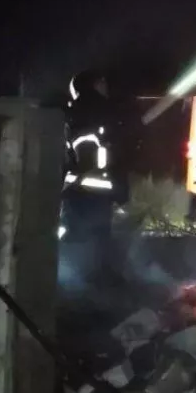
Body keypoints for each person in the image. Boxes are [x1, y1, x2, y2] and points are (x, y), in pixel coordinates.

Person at [59, 70, 127, 285]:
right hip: (99, 187)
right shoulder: (106, 111)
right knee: (99, 234)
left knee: (74, 231)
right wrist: (121, 191)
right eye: (102, 82)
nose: (105, 86)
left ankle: (70, 274)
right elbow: (116, 155)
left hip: (74, 187)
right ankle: (98, 278)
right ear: (94, 84)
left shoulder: (70, 111)